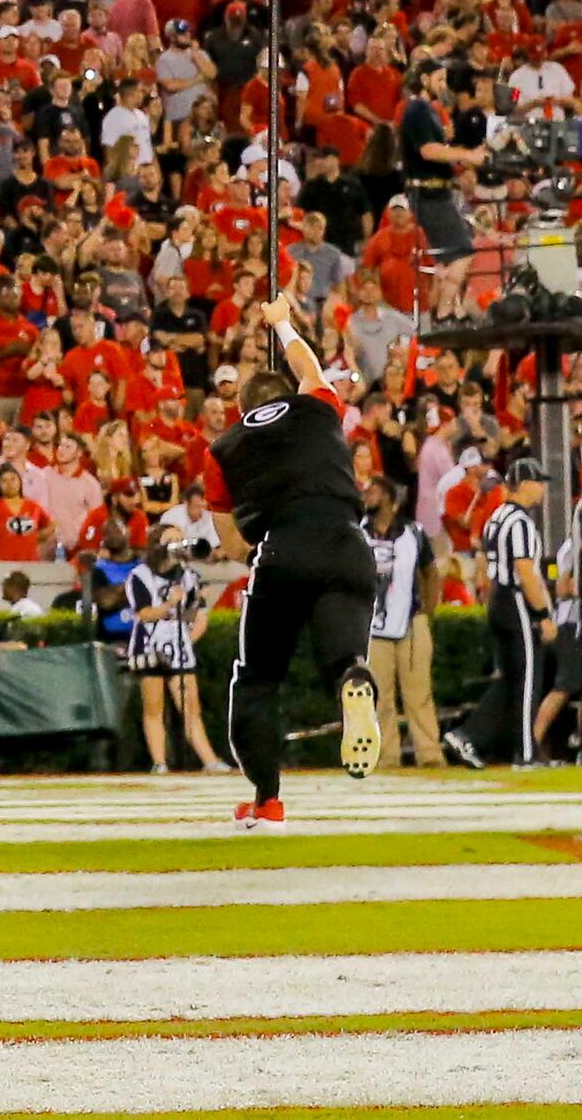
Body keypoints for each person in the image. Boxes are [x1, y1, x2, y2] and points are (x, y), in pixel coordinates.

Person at [214, 293, 382, 821]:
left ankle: (267, 796)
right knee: (343, 656)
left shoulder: (223, 447)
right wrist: (283, 325)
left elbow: (232, 541)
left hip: (284, 547)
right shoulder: (316, 405)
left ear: (243, 410)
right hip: (347, 541)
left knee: (258, 677)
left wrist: (254, 555)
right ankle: (354, 679)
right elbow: (310, 367)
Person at [449, 457, 557, 768]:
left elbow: (483, 560)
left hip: (498, 598)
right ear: (524, 484)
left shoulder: (497, 516)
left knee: (511, 679)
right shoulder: (519, 521)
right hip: (516, 601)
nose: (542, 490)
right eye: (538, 483)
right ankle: (525, 753)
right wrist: (543, 615)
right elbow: (525, 571)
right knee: (527, 680)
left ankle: (468, 735)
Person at [120, 508, 221, 772]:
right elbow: (143, 614)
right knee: (154, 707)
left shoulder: (188, 576)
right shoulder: (140, 575)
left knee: (190, 706)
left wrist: (195, 605)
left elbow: (195, 616)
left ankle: (209, 760)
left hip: (178, 643)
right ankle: (159, 761)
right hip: (149, 643)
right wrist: (168, 604)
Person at [363, 481, 442, 769]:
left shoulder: (414, 532)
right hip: (370, 624)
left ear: (390, 500)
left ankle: (429, 753)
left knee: (418, 691)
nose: (367, 495)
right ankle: (386, 756)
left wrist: (426, 614)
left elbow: (431, 574)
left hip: (411, 620)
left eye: (373, 491)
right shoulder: (357, 532)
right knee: (378, 694)